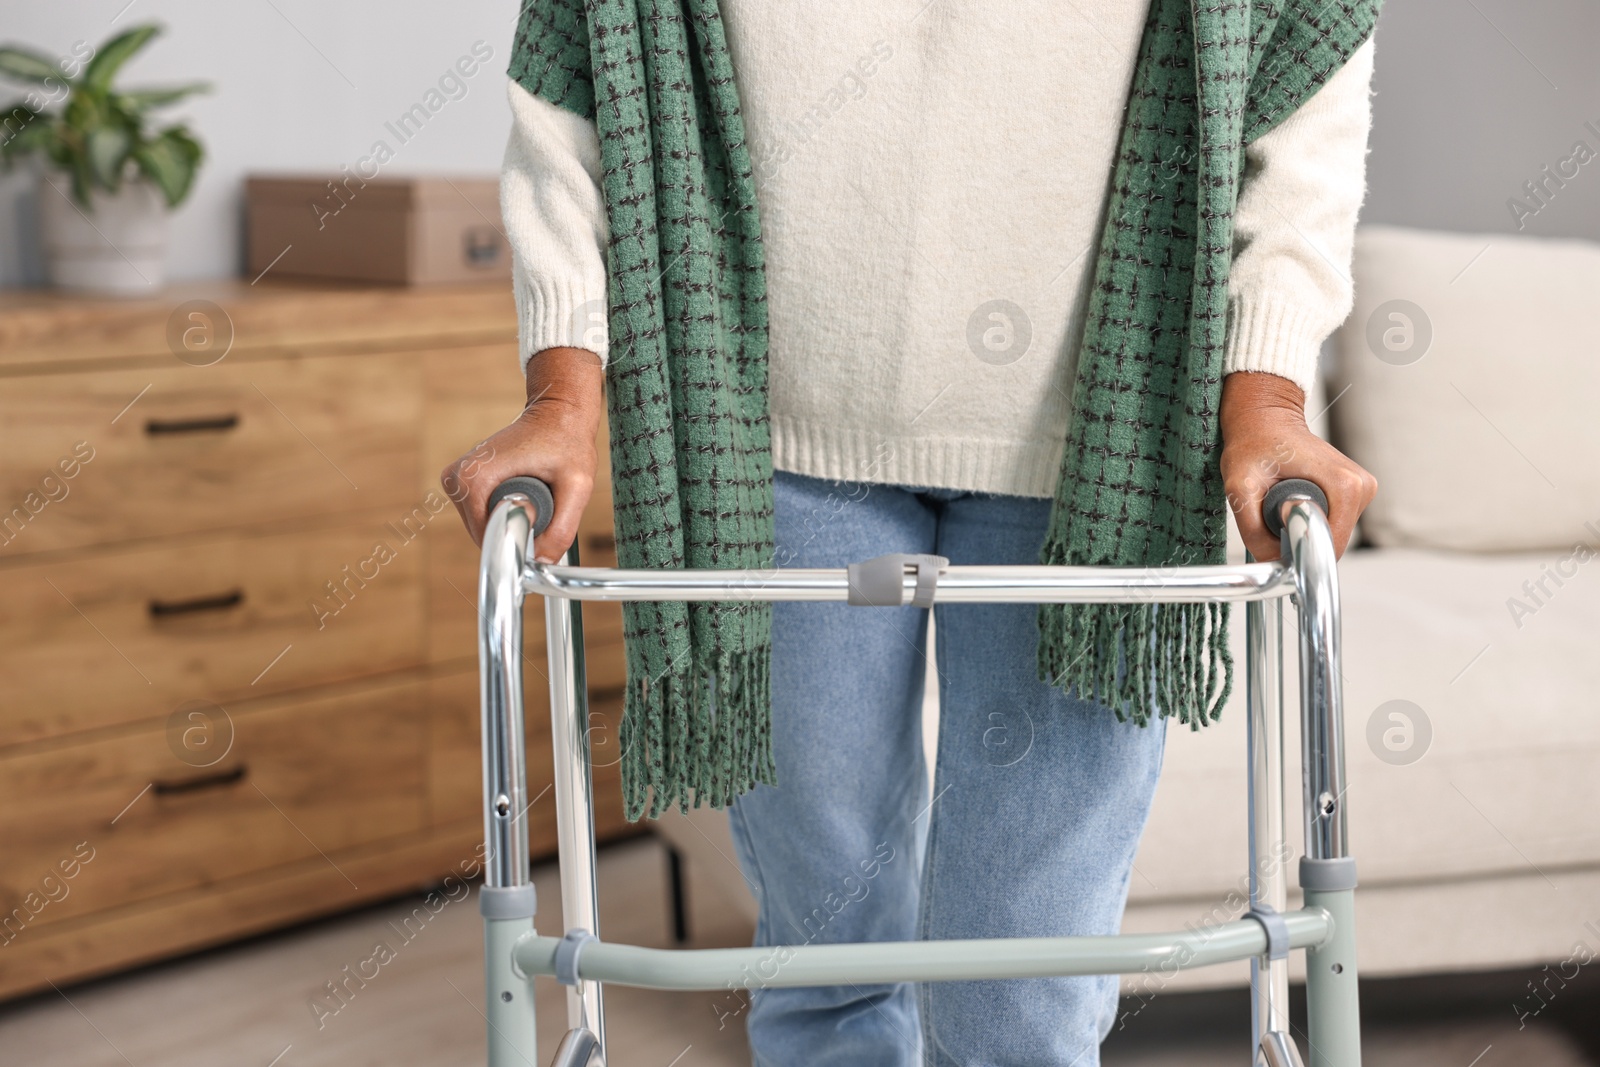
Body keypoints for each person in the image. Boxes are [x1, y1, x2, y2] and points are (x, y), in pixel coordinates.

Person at [445, 4, 1381, 1064]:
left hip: (1092, 458)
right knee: (825, 962)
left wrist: (1267, 397)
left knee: (1020, 993)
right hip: (768, 444)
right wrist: (561, 391)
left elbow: (1301, 89)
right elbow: (576, 83)